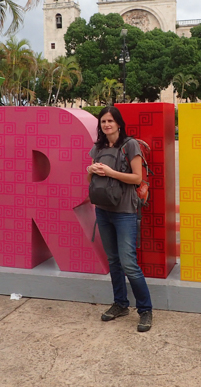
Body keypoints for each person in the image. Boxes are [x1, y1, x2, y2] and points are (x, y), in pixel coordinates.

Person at [87, 106, 153, 332]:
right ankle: (120, 304)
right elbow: (90, 178)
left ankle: (145, 310)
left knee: (129, 264)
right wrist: (91, 168)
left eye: (110, 121)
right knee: (113, 261)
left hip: (125, 212)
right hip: (103, 211)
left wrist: (110, 172)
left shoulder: (130, 145)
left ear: (119, 123)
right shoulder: (98, 147)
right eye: (103, 121)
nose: (106, 125)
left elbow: (137, 178)